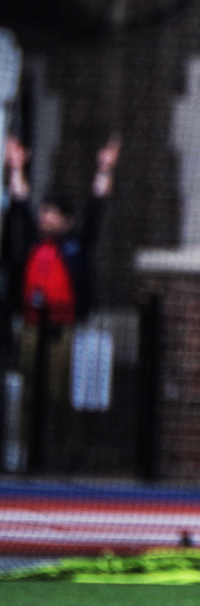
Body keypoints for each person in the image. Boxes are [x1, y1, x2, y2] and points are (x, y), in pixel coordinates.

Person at [5, 135, 118, 472]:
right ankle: (26, 456)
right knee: (27, 396)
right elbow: (21, 204)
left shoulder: (75, 246)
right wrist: (16, 168)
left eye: (52, 214)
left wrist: (104, 170)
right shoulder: (31, 244)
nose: (45, 218)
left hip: (62, 333)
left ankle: (67, 458)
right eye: (44, 212)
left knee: (61, 396)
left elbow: (96, 209)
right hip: (30, 329)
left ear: (66, 220)